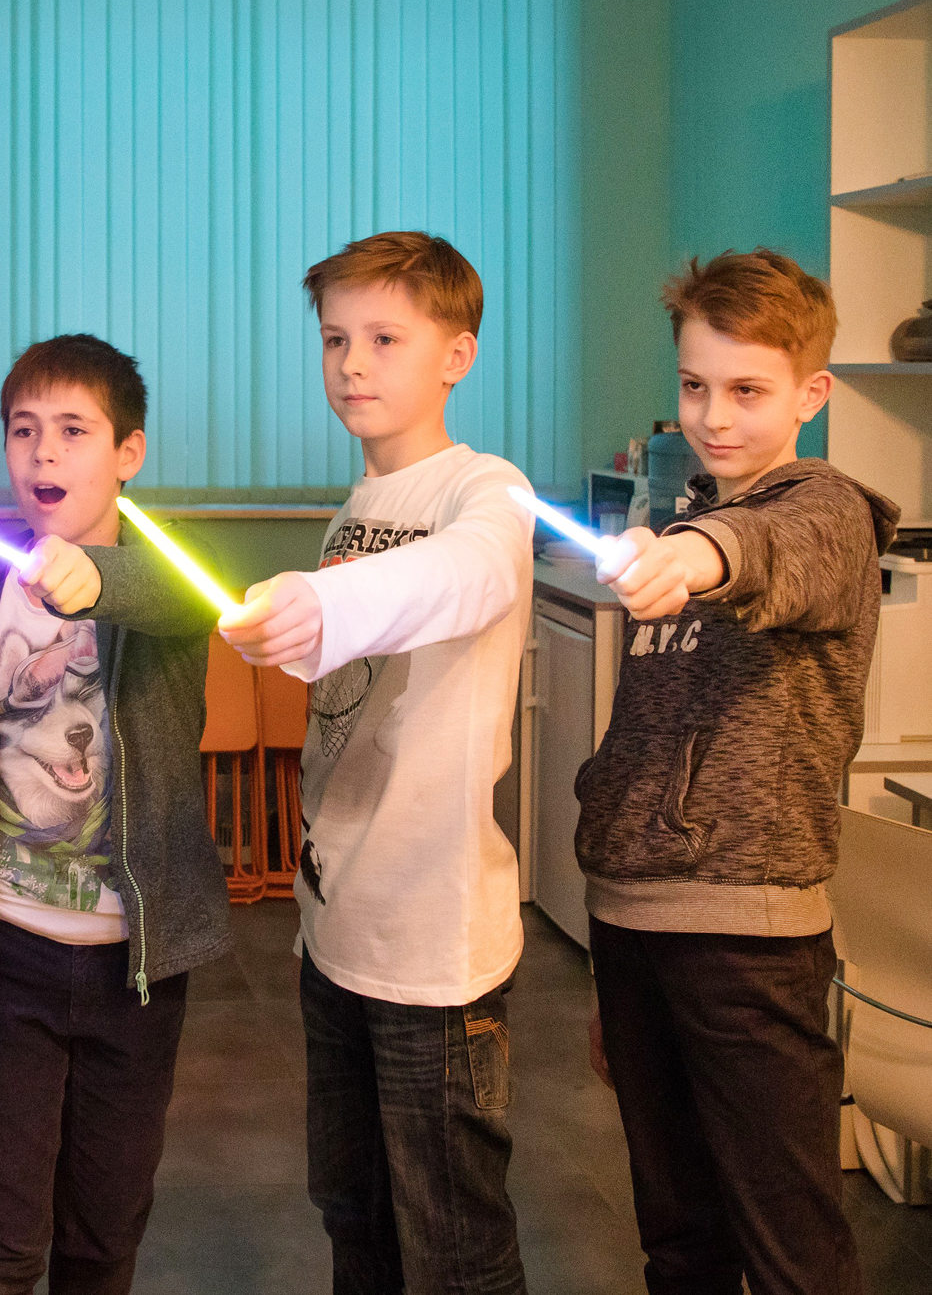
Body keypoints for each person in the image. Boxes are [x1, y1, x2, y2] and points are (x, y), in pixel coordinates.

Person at [0, 333, 232, 1295]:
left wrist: (96, 579)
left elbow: (189, 595)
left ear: (129, 452)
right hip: (2, 965)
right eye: (24, 430)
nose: (44, 452)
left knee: (102, 1242)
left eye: (74, 430)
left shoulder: (170, 573)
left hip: (135, 973)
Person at [578, 248, 898, 1295]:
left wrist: (692, 554)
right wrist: (610, 964)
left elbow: (762, 545)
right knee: (679, 1240)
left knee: (791, 1247)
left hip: (746, 936)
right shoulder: (678, 521)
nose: (712, 417)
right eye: (693, 385)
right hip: (635, 923)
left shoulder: (828, 511)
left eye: (747, 390)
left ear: (811, 393)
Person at [221, 231, 534, 1295]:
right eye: (334, 339)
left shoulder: (483, 490)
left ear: (457, 355)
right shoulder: (355, 510)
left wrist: (320, 605)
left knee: (452, 1245)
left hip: (433, 952)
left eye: (384, 338)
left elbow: (471, 571)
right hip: (336, 932)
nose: (351, 363)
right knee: (352, 1216)